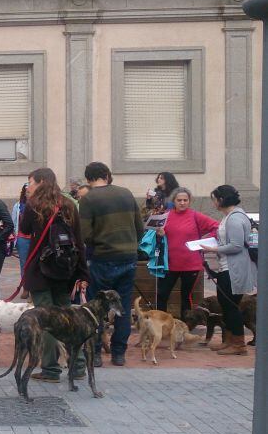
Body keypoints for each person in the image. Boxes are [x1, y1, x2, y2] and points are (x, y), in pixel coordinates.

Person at [18, 169, 89, 383]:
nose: (28, 186)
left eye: (30, 182)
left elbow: (24, 230)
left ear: (40, 182)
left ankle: (50, 369)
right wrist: (82, 273)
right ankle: (77, 366)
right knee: (67, 317)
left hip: (41, 270)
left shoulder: (34, 206)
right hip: (64, 269)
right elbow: (78, 240)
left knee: (45, 320)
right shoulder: (68, 204)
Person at [79, 162, 144, 367]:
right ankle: (118, 354)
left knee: (96, 308)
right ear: (107, 175)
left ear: (88, 179)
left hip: (101, 258)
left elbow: (85, 234)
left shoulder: (88, 199)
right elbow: (139, 228)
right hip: (127, 257)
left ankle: (96, 353)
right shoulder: (126, 193)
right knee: (122, 306)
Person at [200, 185, 256, 356]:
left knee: (231, 305)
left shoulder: (235, 218)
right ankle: (229, 341)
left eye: (214, 199)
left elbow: (237, 245)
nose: (214, 202)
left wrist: (214, 249)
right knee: (225, 304)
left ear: (221, 199)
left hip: (233, 269)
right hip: (226, 267)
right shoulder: (229, 217)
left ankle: (238, 344)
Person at [154, 187, 219, 315]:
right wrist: (159, 234)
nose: (182, 203)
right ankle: (160, 324)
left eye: (185, 200)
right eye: (179, 200)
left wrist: (204, 243)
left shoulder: (196, 216)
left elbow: (217, 227)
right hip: (169, 264)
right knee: (162, 294)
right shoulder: (165, 216)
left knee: (186, 296)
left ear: (189, 201)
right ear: (174, 201)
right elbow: (155, 236)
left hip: (191, 265)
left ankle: (186, 327)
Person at [11, 183, 30, 272]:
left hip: (36, 238)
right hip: (22, 239)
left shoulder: (39, 205)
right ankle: (25, 284)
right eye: (27, 192)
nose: (29, 194)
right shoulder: (18, 206)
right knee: (24, 263)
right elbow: (13, 222)